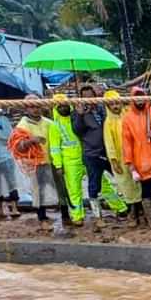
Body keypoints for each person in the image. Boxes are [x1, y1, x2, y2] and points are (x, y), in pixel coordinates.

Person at [9, 97, 66, 235]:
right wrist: (31, 141)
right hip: (35, 163)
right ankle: (42, 218)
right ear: (26, 108)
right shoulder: (22, 126)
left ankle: (66, 215)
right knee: (38, 191)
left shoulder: (49, 123)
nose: (35, 109)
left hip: (53, 161)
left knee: (61, 188)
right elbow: (18, 147)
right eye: (32, 106)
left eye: (38, 106)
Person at [73, 85, 127, 225]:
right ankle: (98, 217)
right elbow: (77, 131)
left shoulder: (103, 109)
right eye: (85, 97)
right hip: (92, 154)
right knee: (94, 185)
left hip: (108, 152)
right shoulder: (79, 113)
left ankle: (129, 208)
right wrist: (80, 114)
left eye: (91, 95)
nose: (89, 99)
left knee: (122, 177)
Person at [121, 85, 151, 225]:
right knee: (146, 191)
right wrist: (130, 164)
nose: (140, 101)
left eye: (142, 96)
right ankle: (150, 219)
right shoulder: (127, 118)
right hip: (141, 161)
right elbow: (126, 143)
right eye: (137, 97)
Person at [102, 89, 146, 226]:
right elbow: (109, 144)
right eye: (112, 104)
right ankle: (132, 213)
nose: (116, 106)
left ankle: (142, 211)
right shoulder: (108, 122)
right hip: (121, 159)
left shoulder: (128, 115)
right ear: (108, 106)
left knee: (140, 183)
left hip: (137, 155)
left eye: (117, 103)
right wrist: (114, 161)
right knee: (126, 185)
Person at [48, 93, 92, 226]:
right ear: (56, 108)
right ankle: (77, 216)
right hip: (69, 161)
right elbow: (55, 148)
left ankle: (120, 208)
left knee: (103, 184)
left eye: (65, 105)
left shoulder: (77, 118)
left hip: (86, 156)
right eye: (60, 106)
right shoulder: (55, 126)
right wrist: (58, 165)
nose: (63, 108)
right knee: (74, 190)